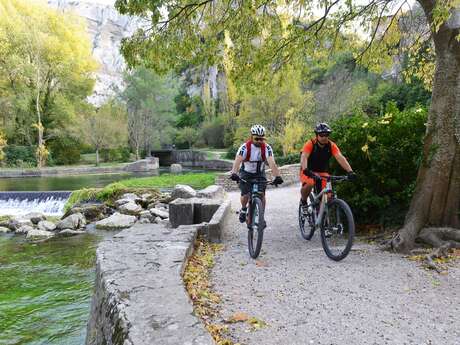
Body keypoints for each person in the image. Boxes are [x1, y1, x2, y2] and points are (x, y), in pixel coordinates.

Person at [230, 124, 284, 223]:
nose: (259, 141)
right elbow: (237, 161)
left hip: (260, 173)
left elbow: (272, 163)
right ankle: (243, 209)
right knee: (245, 194)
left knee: (262, 194)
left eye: (262, 139)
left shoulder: (267, 148)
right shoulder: (245, 147)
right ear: (251, 137)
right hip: (246, 172)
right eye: (257, 139)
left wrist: (277, 176)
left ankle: (261, 217)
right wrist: (234, 173)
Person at [300, 123, 356, 210]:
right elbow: (304, 157)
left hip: (322, 172)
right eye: (321, 135)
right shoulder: (310, 143)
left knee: (328, 196)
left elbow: (340, 158)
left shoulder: (331, 145)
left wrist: (350, 171)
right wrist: (306, 169)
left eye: (326, 135)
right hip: (308, 170)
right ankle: (303, 201)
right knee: (310, 183)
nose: (324, 137)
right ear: (317, 135)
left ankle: (323, 217)